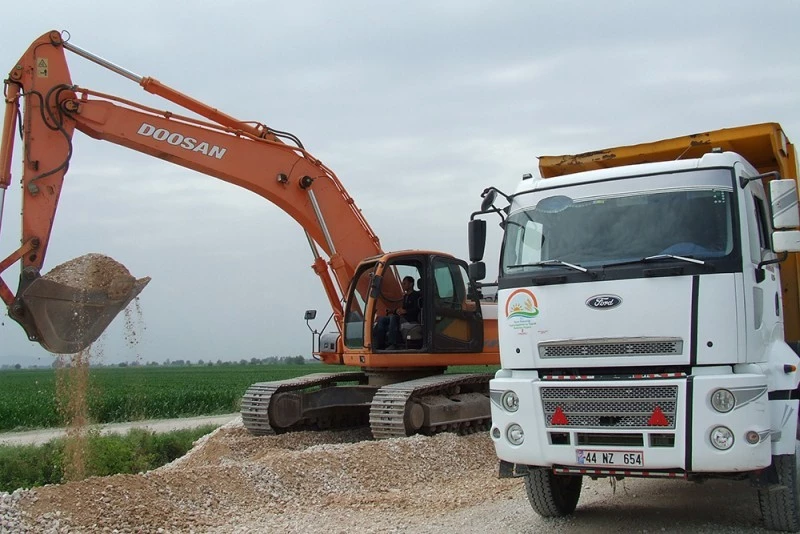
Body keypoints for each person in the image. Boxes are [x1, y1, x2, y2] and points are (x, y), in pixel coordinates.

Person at [373, 276, 421, 350]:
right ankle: (380, 344)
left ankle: (393, 343)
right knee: (381, 319)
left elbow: (417, 309)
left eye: (404, 283)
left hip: (409, 317)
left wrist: (406, 311)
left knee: (393, 318)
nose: (403, 285)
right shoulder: (405, 296)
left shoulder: (416, 295)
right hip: (402, 316)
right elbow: (402, 309)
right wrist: (395, 311)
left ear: (411, 284)